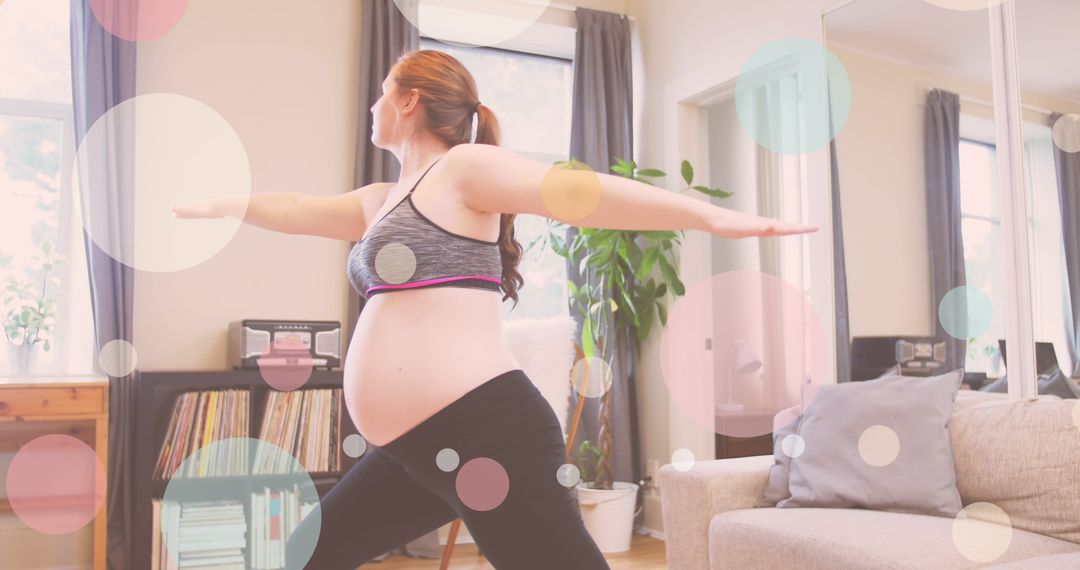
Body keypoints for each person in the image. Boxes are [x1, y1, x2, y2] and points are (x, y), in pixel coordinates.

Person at [173, 49, 817, 570]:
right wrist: (224, 204)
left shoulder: (463, 170)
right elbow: (294, 208)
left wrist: (709, 216)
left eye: (381, 92)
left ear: (408, 100)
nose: (373, 106)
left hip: (486, 432)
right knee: (306, 555)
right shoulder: (381, 200)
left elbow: (581, 193)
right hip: (414, 448)